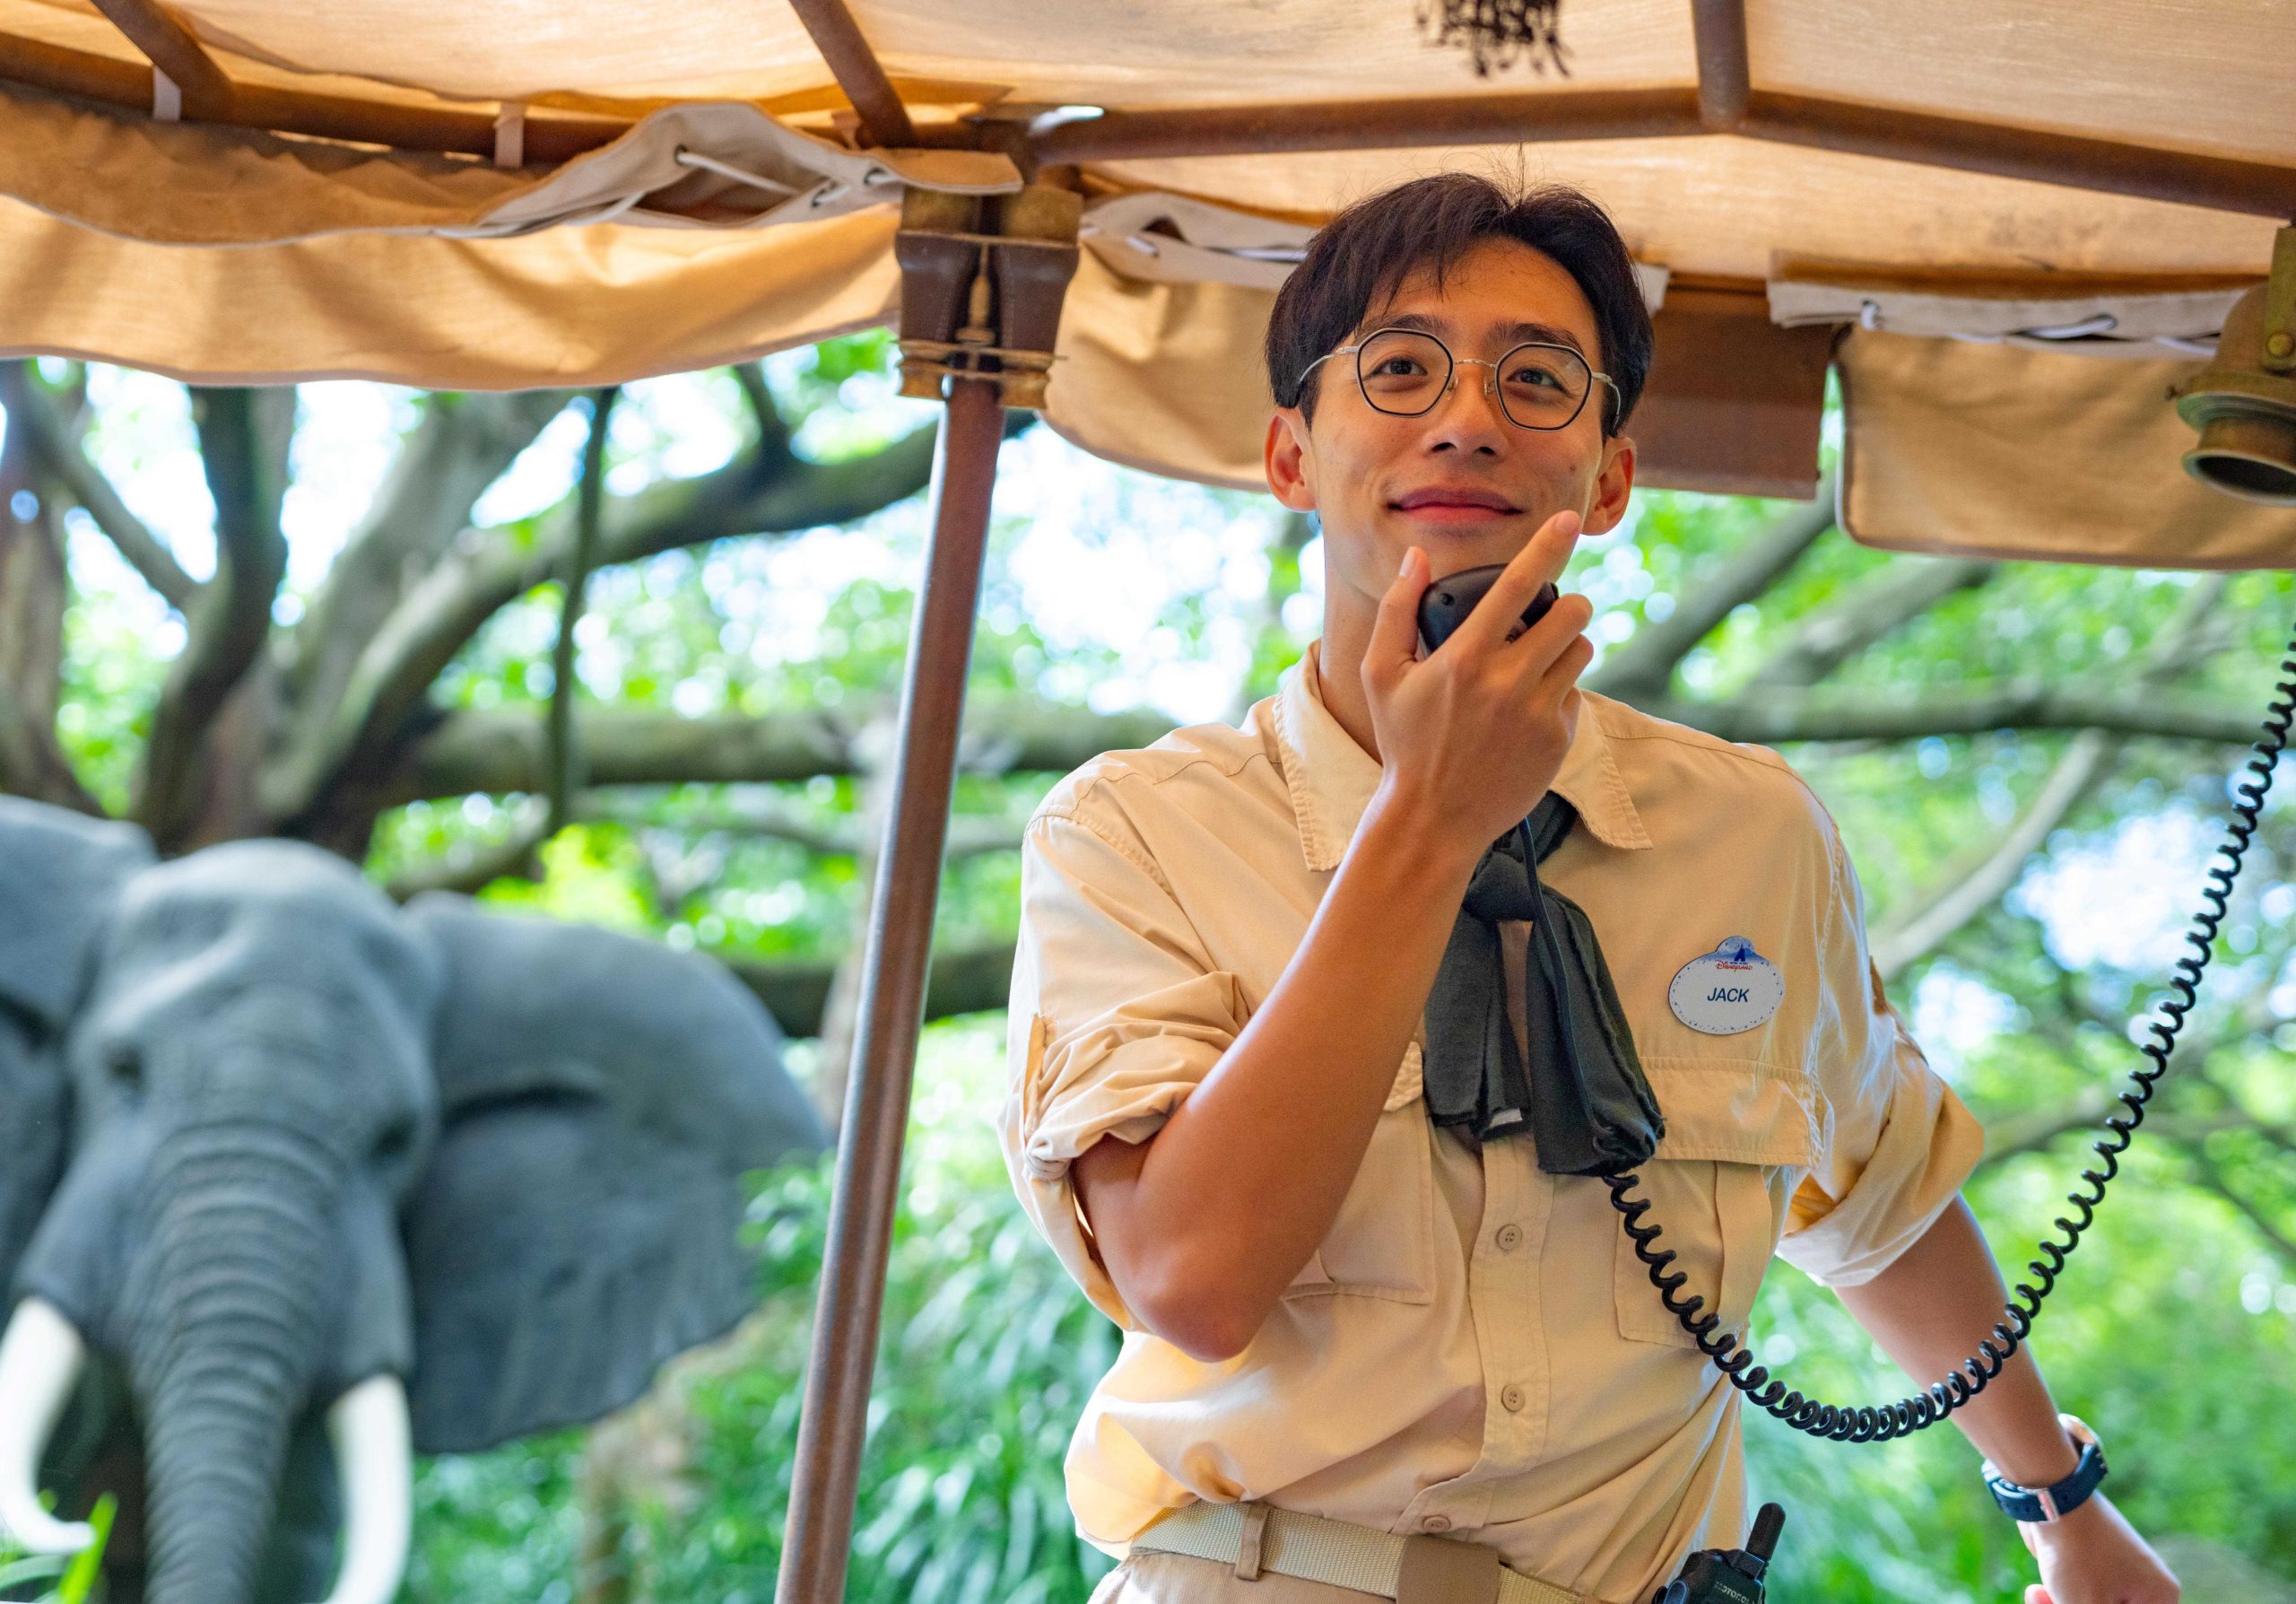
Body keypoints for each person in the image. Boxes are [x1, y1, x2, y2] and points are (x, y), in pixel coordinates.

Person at [995, 173, 2179, 1604]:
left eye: (1540, 378)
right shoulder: (1132, 831)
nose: (1469, 416)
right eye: (1401, 368)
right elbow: (1192, 1275)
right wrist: (1431, 820)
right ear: (1292, 455)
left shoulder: (1754, 833)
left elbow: (1882, 1196)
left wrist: (2063, 1510)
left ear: (1610, 476)